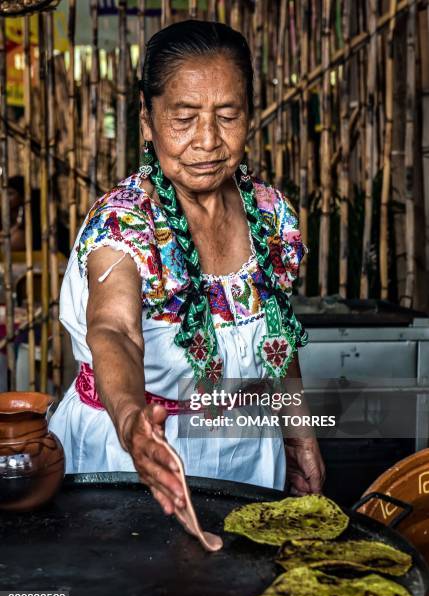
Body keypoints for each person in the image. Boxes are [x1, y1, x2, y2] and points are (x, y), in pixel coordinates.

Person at [49, 20, 325, 515]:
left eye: (227, 116)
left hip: (248, 453)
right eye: (184, 118)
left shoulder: (269, 213)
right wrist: (134, 422)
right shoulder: (125, 221)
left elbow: (278, 335)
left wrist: (298, 428)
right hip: (136, 453)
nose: (208, 141)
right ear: (148, 121)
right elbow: (114, 331)